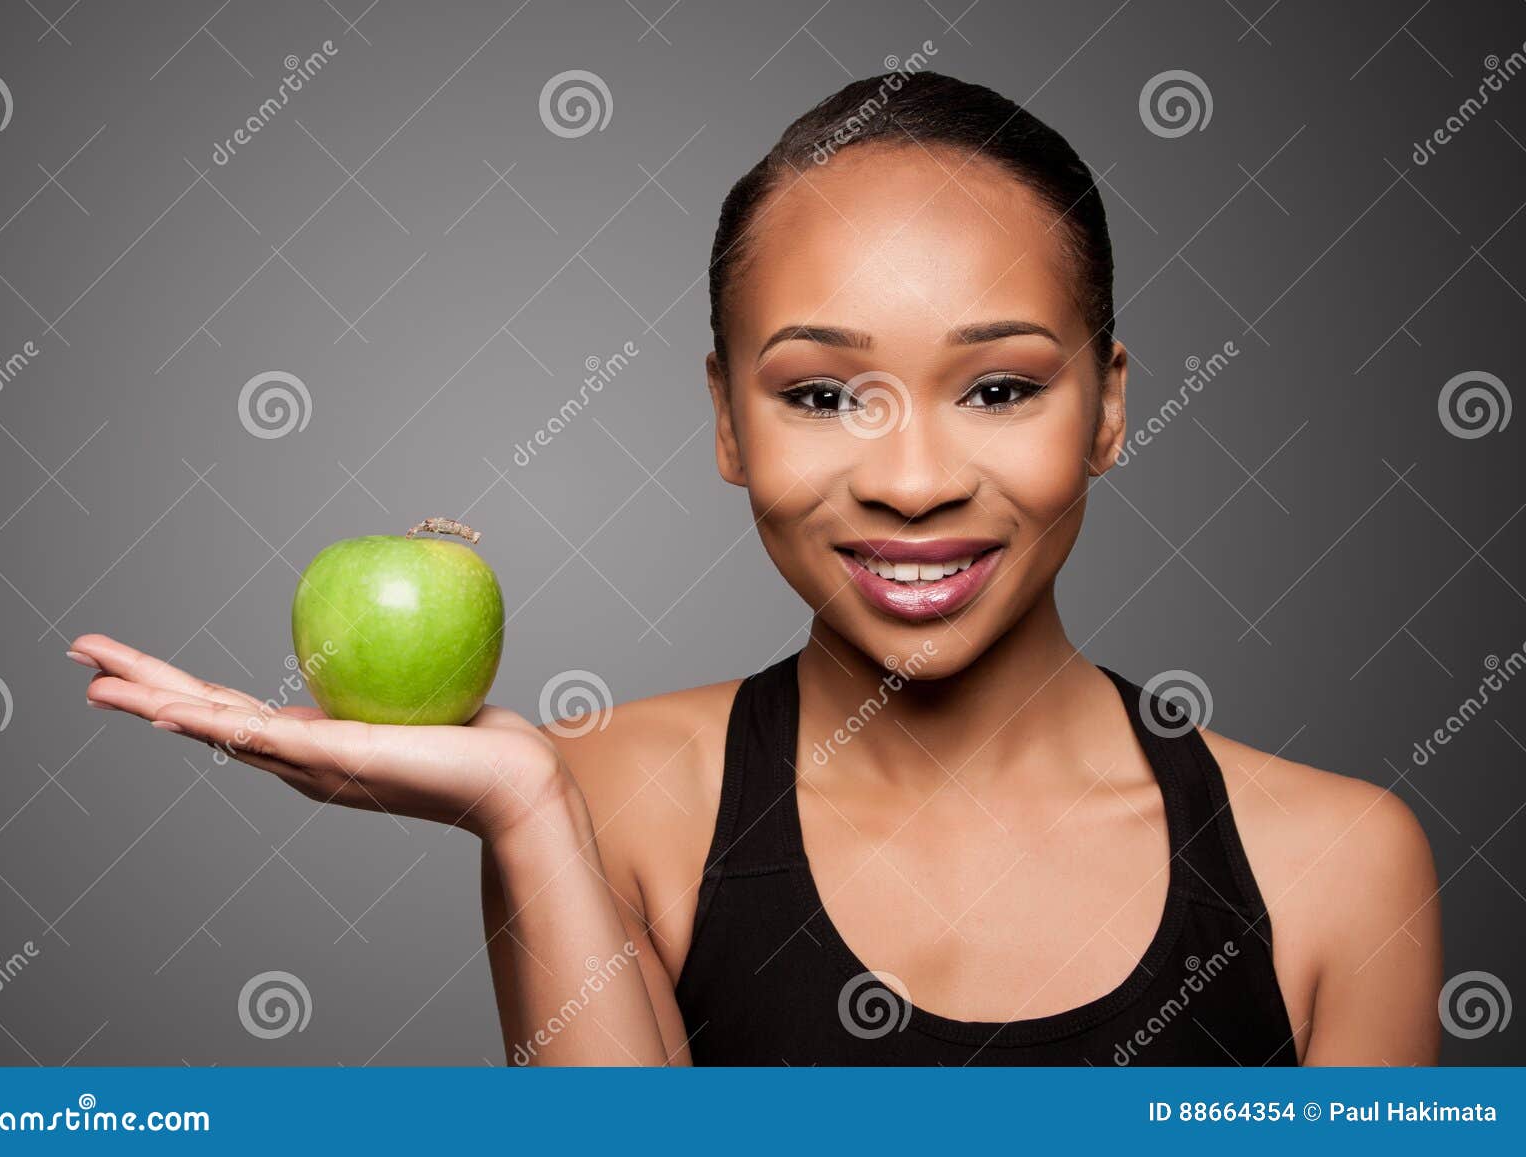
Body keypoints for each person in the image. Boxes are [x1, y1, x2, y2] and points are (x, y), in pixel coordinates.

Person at [70, 71, 1440, 1065]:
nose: (913, 481)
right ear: (728, 419)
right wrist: (530, 813)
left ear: (1112, 406)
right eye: (824, 395)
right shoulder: (605, 802)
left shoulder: (1338, 867)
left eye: (1003, 388)